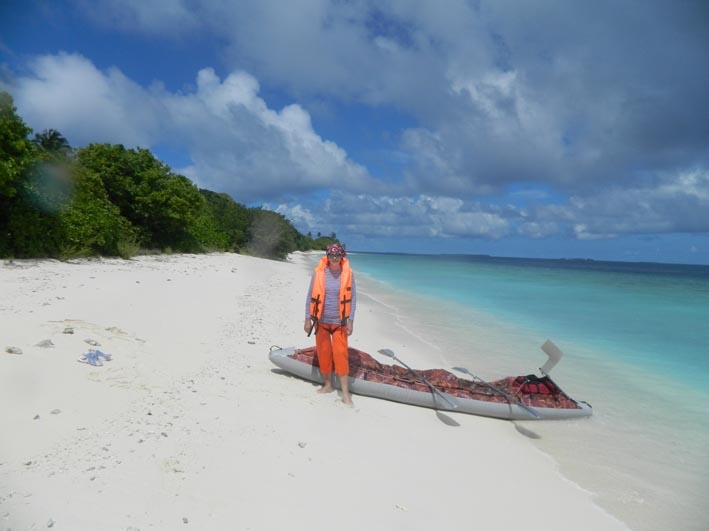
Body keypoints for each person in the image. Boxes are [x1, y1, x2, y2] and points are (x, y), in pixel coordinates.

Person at [304, 243, 356, 406]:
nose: (334, 258)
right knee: (324, 353)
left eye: (337, 255)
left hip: (340, 322)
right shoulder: (319, 272)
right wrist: (307, 318)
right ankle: (327, 384)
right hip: (321, 321)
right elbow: (310, 296)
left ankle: (345, 393)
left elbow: (353, 299)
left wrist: (351, 321)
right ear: (327, 256)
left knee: (341, 355)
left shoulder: (348, 274)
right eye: (331, 255)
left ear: (342, 257)